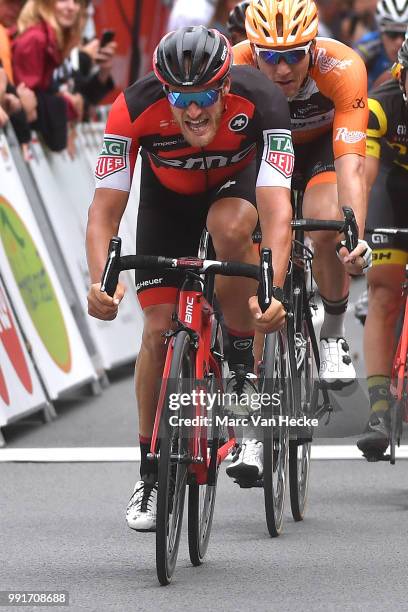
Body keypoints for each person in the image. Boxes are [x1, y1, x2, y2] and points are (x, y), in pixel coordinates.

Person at [86, 26, 294, 530]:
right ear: (164, 90)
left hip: (234, 187)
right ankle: (150, 476)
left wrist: (275, 288)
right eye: (181, 97)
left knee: (230, 227)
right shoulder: (131, 110)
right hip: (168, 202)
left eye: (204, 96)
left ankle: (241, 355)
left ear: (225, 87)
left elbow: (278, 209)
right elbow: (104, 211)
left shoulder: (263, 99)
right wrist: (100, 281)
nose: (193, 111)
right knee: (157, 331)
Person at [233, 0, 371, 392]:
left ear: (313, 46)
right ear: (253, 50)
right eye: (271, 56)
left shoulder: (342, 67)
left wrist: (354, 235)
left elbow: (351, 164)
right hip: (264, 150)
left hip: (320, 151)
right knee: (248, 236)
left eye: (294, 55)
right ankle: (249, 378)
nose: (282, 69)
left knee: (327, 226)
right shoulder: (236, 66)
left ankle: (332, 334)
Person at [356, 35, 408, 459]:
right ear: (399, 73)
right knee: (384, 291)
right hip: (392, 187)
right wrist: (356, 231)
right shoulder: (380, 104)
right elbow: (366, 177)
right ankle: (378, 407)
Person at [12, 0, 85, 151]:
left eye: (77, 1)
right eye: (63, 0)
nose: (71, 7)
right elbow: (28, 102)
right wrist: (68, 105)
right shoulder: (36, 39)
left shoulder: (49, 40)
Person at [354, 0, 408, 88]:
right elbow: (349, 66)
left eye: (405, 34)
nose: (398, 41)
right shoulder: (369, 44)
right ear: (380, 32)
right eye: (392, 33)